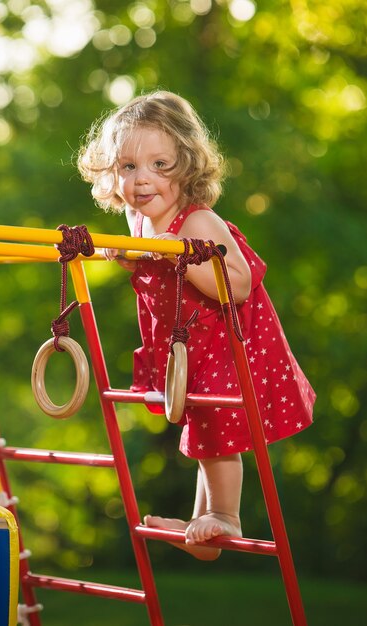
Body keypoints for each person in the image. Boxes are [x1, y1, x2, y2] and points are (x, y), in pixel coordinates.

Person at [78, 91, 316, 560]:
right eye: (127, 167)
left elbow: (240, 283)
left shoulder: (198, 221)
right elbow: (150, 266)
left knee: (218, 425)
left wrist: (183, 257)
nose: (142, 179)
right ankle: (203, 524)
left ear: (186, 166)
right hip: (189, 340)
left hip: (229, 340)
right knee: (202, 425)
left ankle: (225, 516)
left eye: (160, 165)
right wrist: (130, 253)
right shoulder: (140, 218)